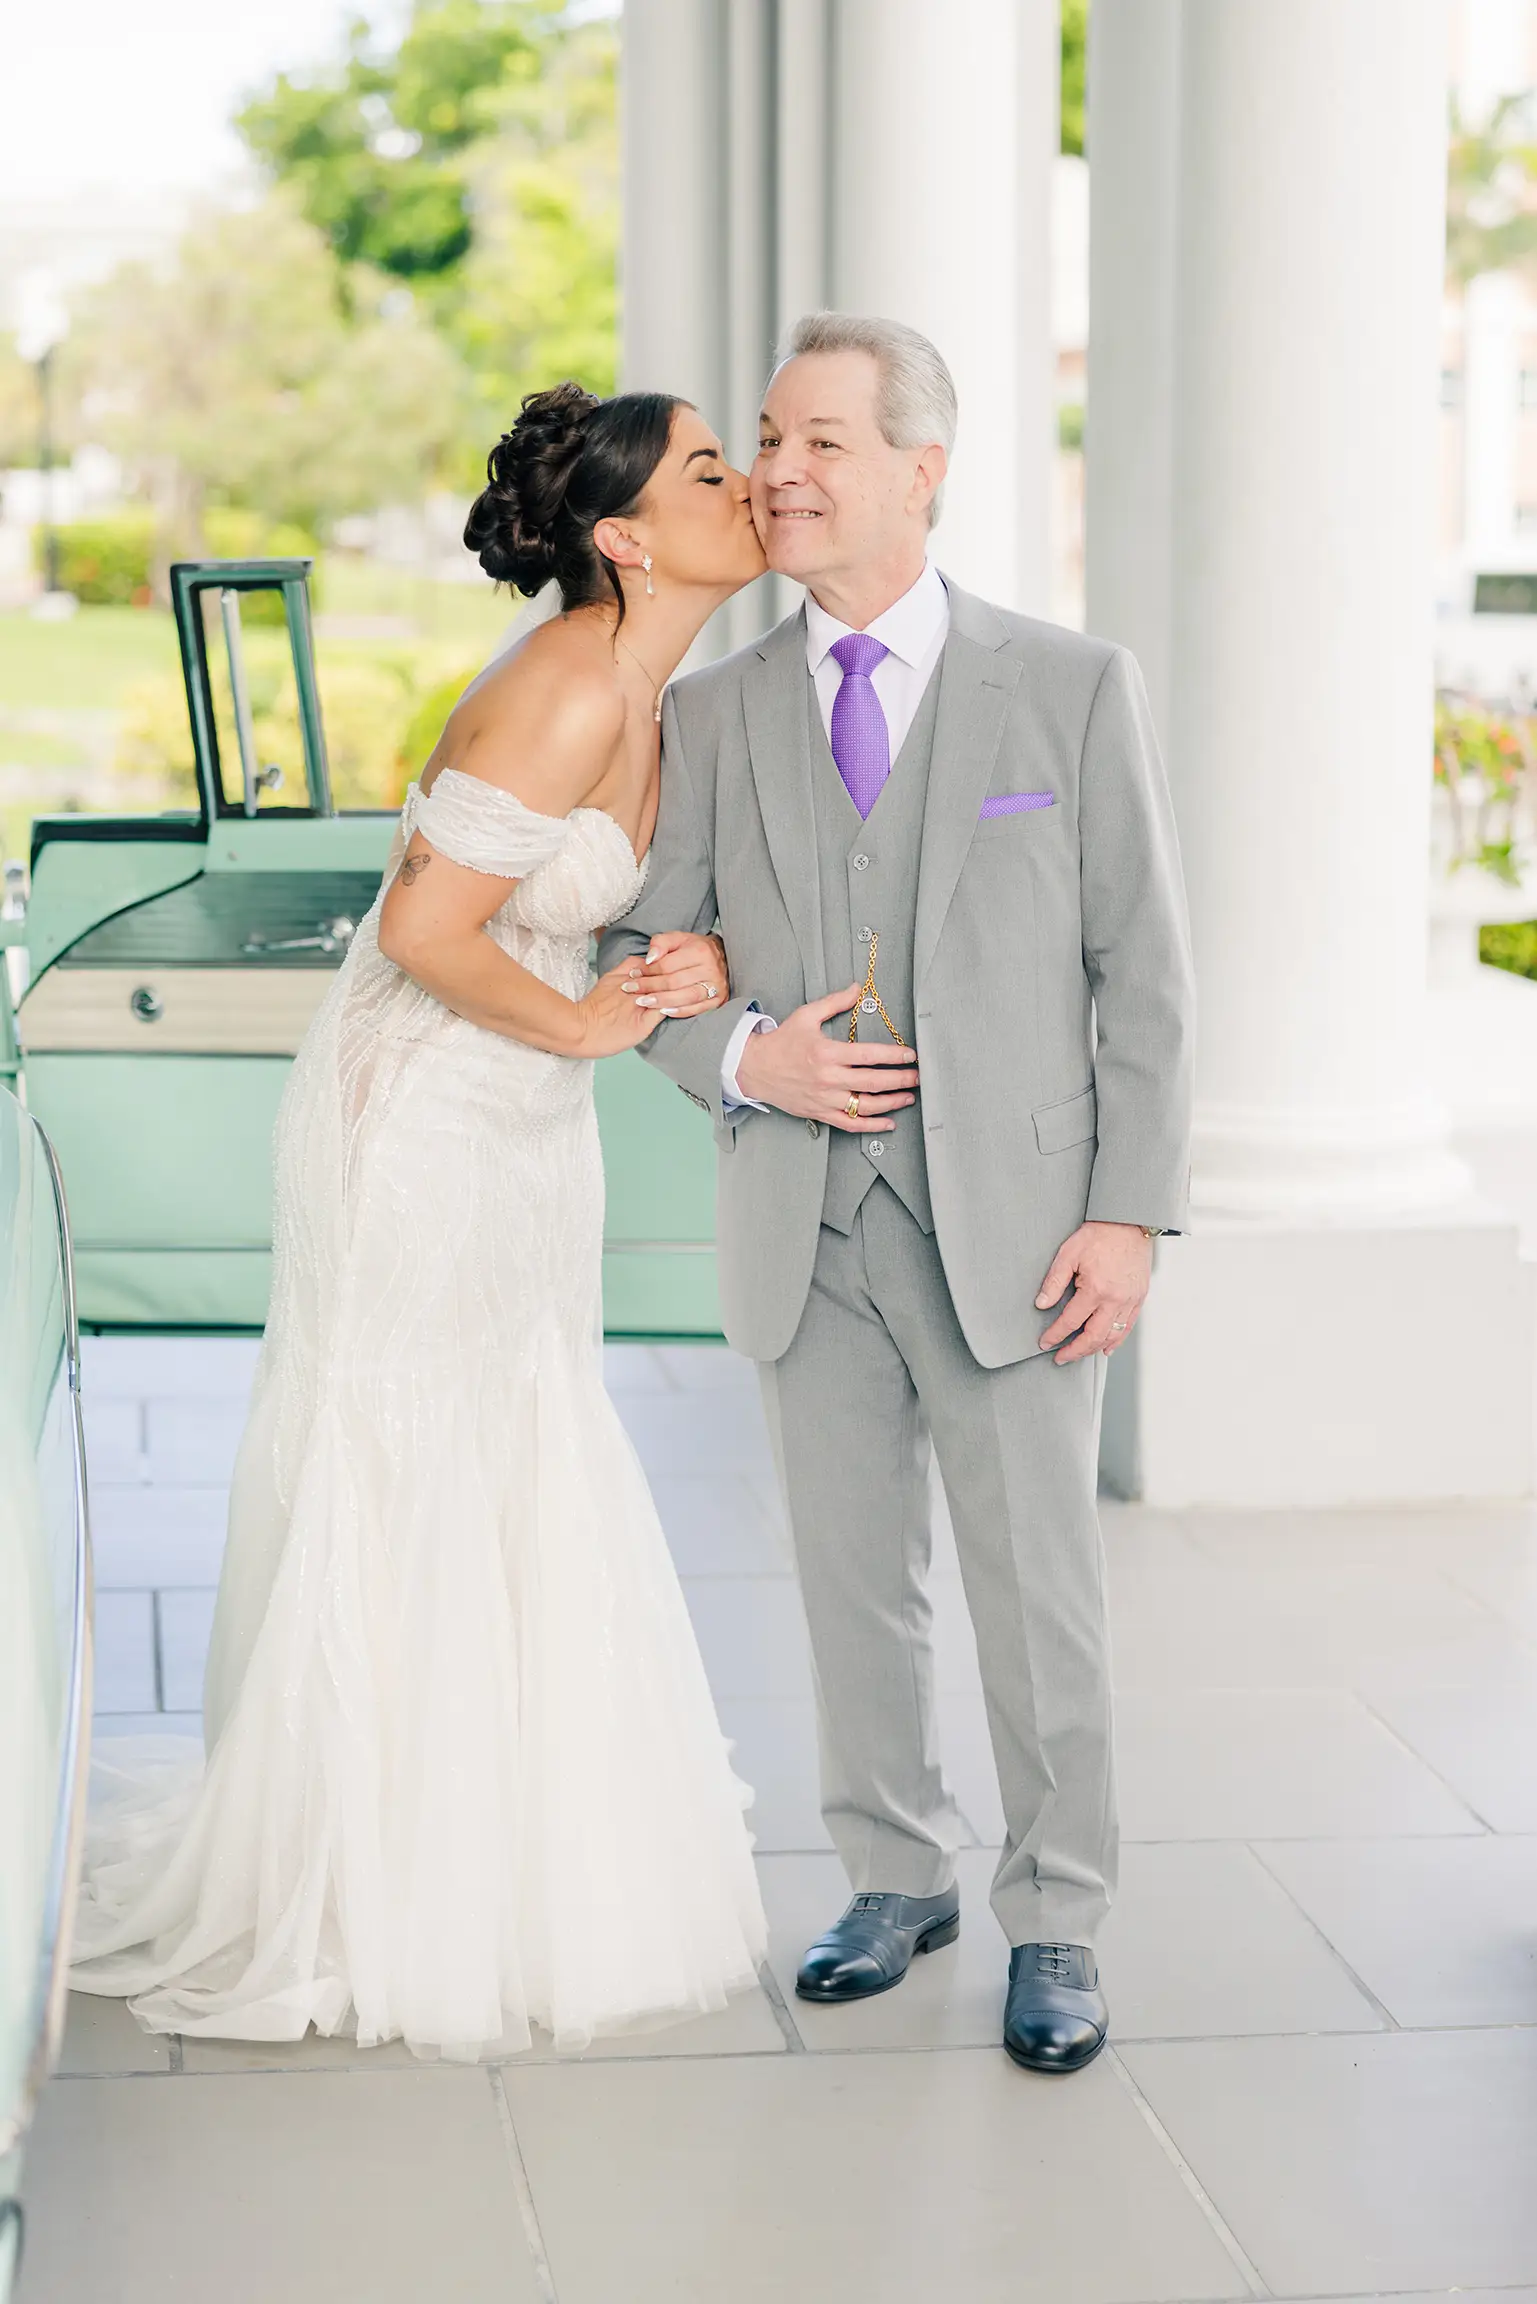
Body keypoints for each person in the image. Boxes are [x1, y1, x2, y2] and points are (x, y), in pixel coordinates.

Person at [70, 385, 771, 2061]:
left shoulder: (652, 692)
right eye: (707, 469)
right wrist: (597, 1025)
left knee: (518, 1438)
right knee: (404, 1455)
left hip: (518, 1121)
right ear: (623, 536)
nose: (746, 486)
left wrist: (665, 972)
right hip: (415, 1128)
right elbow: (424, 926)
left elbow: (560, 911)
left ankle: (490, 1843)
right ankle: (357, 1878)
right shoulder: (561, 686)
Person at [603, 313, 1195, 2074]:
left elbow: (1144, 972)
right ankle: (890, 1872)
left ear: (922, 471)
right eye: (769, 439)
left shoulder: (1070, 687)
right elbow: (647, 953)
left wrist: (1132, 1211)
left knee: (1038, 1592)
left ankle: (1061, 1914)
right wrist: (740, 1057)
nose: (779, 470)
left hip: (1017, 1233)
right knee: (853, 1582)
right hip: (806, 1218)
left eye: (821, 442)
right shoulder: (707, 714)